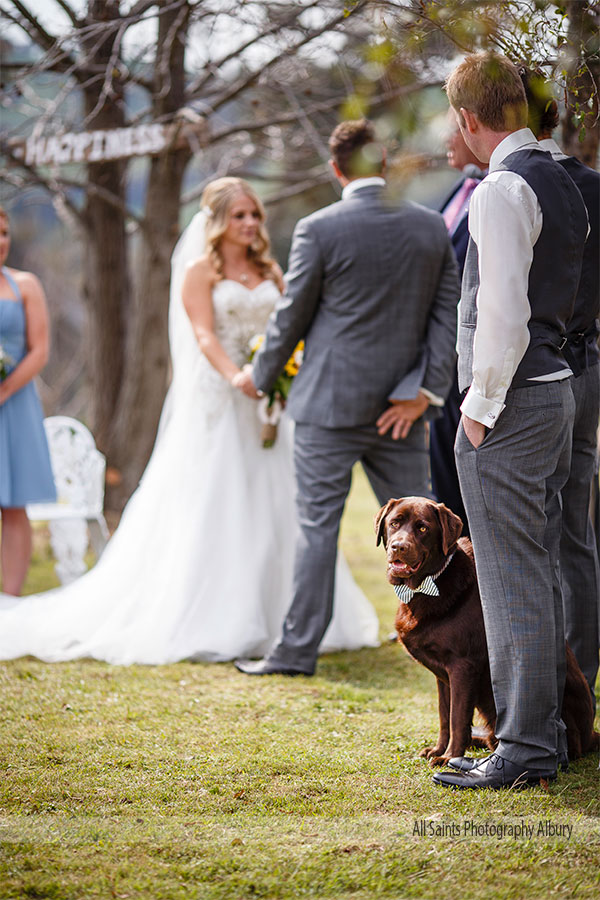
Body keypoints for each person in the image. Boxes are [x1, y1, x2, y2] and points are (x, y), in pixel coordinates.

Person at [0, 177, 380, 664]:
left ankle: (290, 618)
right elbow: (203, 334)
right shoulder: (200, 271)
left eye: (255, 215)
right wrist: (238, 376)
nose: (250, 224)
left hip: (271, 403)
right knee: (224, 501)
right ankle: (222, 615)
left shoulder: (270, 269)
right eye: (240, 215)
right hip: (223, 399)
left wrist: (285, 372)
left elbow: (291, 326)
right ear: (218, 221)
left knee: (281, 502)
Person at [234, 119, 460, 677]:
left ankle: (295, 653)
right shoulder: (430, 227)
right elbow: (448, 318)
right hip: (401, 414)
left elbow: (293, 316)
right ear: (384, 164)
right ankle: (449, 636)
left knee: (317, 531)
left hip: (326, 409)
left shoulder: (318, 228)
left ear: (336, 169)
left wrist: (261, 376)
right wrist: (423, 393)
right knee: (430, 533)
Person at [434, 52, 588, 790]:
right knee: (542, 574)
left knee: (511, 581)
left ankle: (525, 752)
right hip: (559, 391)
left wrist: (478, 410)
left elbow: (500, 316)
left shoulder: (500, 188)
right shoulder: (563, 177)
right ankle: (546, 735)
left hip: (514, 403)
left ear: (468, 118)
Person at [520, 67, 600, 713]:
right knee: (573, 531)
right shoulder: (594, 186)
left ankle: (546, 696)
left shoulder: (512, 185)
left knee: (535, 534)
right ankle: (581, 693)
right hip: (590, 366)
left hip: (537, 374)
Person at [429, 118, 487, 534]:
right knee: (442, 479)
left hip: (470, 355)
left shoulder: (498, 191)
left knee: (463, 485)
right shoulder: (460, 188)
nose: (447, 141)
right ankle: (444, 586)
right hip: (439, 354)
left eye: (452, 130)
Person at [0, 205, 56, 596]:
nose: (0, 241)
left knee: (14, 505)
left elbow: (39, 350)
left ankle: (11, 601)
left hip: (15, 404)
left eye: (4, 233)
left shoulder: (26, 285)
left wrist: (3, 390)